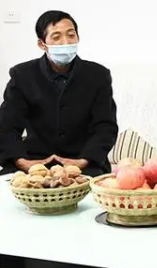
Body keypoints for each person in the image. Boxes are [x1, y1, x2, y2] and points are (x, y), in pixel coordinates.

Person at [0, 10, 118, 178]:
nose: (66, 42)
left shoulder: (98, 75)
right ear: (42, 44)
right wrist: (21, 161)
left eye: (71, 35)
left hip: (84, 162)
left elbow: (105, 126)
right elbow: (7, 126)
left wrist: (84, 160)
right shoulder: (22, 75)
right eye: (56, 37)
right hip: (35, 162)